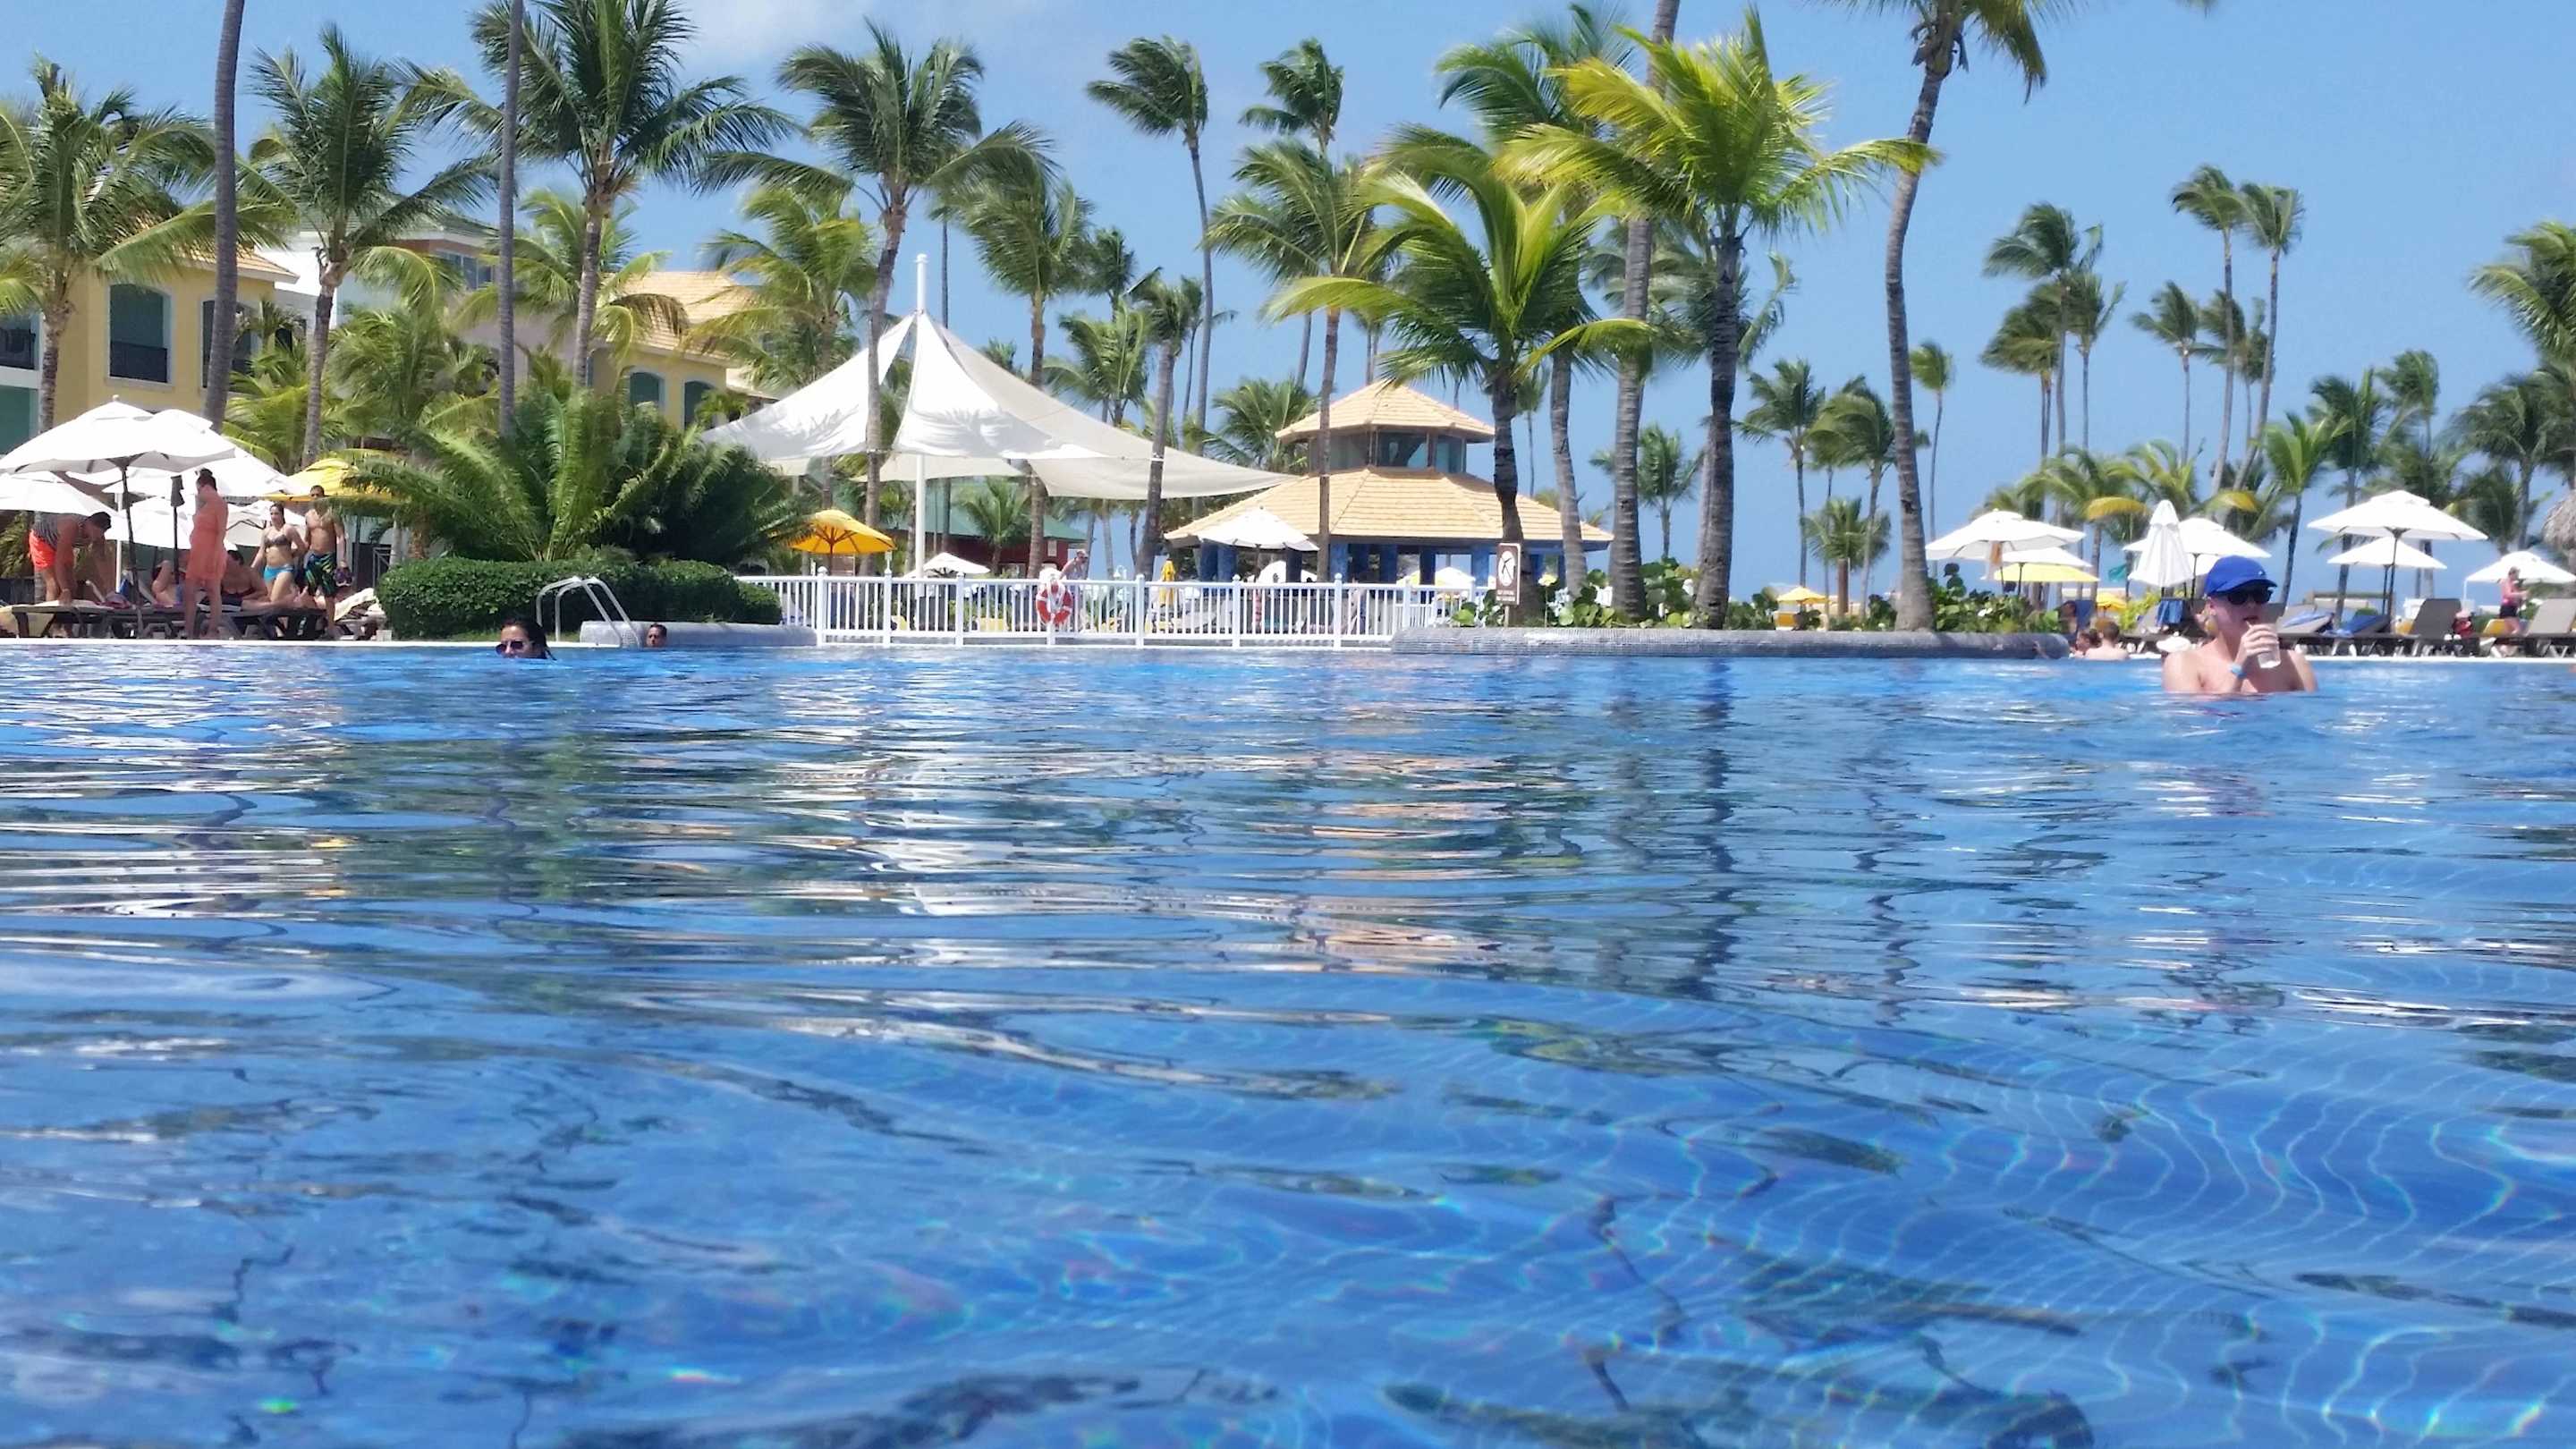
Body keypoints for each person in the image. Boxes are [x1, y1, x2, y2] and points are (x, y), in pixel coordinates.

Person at [2162, 556, 2317, 694]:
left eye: (2259, 595)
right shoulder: (2185, 664)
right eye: (2238, 596)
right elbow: (2196, 718)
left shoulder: (2294, 665)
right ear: (2212, 606)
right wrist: (2239, 668)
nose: (2251, 604)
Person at [30, 511, 115, 605]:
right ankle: (51, 613)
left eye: (101, 533)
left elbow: (101, 560)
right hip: (42, 540)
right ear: (89, 523)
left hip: (61, 543)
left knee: (72, 586)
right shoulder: (71, 527)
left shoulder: (98, 537)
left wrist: (111, 591)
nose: (96, 536)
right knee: (55, 585)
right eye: (95, 532)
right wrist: (65, 590)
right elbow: (60, 561)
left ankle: (68, 612)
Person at [183, 470, 228, 637]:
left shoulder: (220, 504)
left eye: (199, 490)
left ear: (205, 487)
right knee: (189, 591)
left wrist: (214, 557)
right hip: (198, 552)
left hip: (211, 551)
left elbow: (221, 532)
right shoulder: (204, 505)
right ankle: (188, 630)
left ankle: (212, 629)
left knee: (213, 590)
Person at [301, 484, 343, 602]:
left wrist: (342, 559)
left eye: (318, 495)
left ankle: (330, 615)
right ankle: (314, 613)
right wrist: (299, 554)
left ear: (323, 497)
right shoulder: (308, 516)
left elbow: (341, 536)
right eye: (312, 495)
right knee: (308, 590)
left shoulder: (332, 513)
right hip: (314, 557)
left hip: (328, 557)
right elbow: (307, 539)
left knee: (328, 593)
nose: (315, 498)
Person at [258, 503, 305, 604]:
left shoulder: (288, 529)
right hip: (269, 569)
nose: (273, 516)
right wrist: (252, 568)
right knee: (270, 599)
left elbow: (302, 547)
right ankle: (292, 604)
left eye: (276, 514)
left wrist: (293, 554)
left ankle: (294, 596)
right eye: (271, 514)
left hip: (284, 568)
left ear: (282, 515)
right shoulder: (266, 531)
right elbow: (260, 553)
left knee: (275, 599)